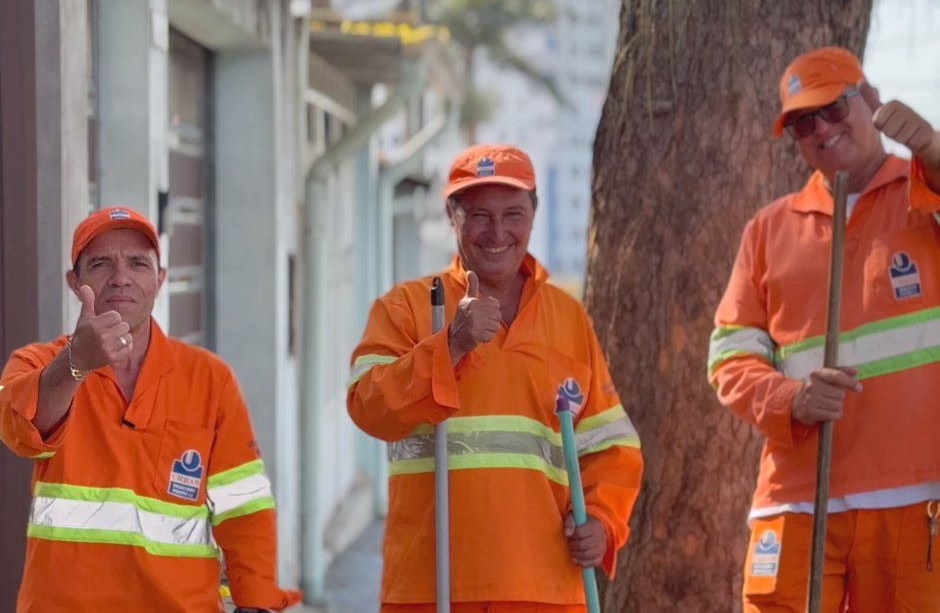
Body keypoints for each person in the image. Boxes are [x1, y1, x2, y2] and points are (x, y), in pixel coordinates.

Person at [347, 144, 644, 612]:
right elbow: (368, 405)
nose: (498, 232)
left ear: (534, 214)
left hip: (546, 589)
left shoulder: (567, 318)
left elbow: (611, 446)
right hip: (432, 589)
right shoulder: (406, 308)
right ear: (452, 215)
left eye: (513, 214)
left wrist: (603, 521)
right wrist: (449, 345)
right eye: (480, 215)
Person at [709, 46, 940, 612]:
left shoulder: (926, 199)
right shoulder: (768, 229)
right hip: (797, 501)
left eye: (834, 108)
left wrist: (936, 157)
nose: (821, 128)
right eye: (803, 122)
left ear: (872, 101)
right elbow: (728, 359)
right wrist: (791, 398)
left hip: (917, 496)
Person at [0, 207, 301, 613]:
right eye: (101, 263)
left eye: (138, 263)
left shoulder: (211, 379)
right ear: (75, 283)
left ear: (160, 280)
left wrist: (256, 603)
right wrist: (77, 362)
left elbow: (243, 508)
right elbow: (22, 431)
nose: (121, 277)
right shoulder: (37, 363)